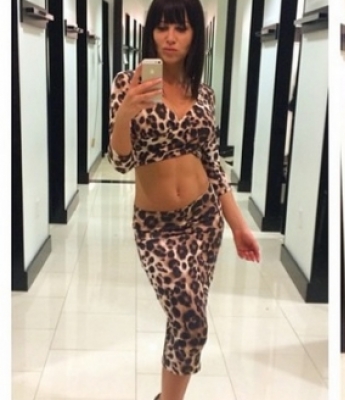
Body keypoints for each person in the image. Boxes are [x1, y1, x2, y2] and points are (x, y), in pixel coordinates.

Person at [106, 0, 261, 399]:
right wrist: (126, 113)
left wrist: (238, 226)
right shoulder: (128, 84)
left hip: (204, 220)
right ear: (150, 33)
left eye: (181, 28)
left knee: (184, 321)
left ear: (195, 35)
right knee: (192, 322)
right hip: (156, 227)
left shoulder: (203, 94)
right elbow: (120, 162)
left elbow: (213, 163)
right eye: (162, 27)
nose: (170, 38)